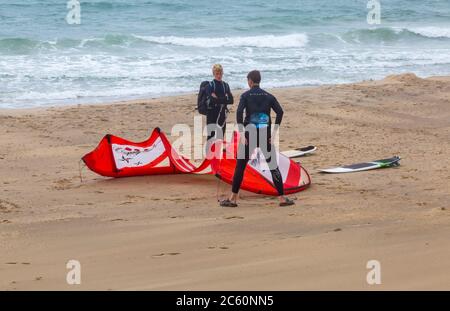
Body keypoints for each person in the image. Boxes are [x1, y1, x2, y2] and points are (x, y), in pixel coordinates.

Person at [220, 70, 295, 207]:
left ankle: (233, 199)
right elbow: (280, 112)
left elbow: (238, 113)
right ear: (259, 81)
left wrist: (242, 133)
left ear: (250, 81)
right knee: (273, 166)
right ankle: (282, 198)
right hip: (265, 135)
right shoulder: (268, 96)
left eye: (247, 80)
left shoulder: (246, 95)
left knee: (240, 167)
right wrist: (274, 133)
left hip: (249, 135)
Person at [206, 64, 233, 148]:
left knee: (220, 135)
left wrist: (217, 99)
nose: (219, 75)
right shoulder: (210, 85)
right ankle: (209, 156)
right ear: (213, 73)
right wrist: (224, 98)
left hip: (222, 113)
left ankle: (218, 155)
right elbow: (212, 99)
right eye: (217, 73)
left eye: (220, 73)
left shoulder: (226, 85)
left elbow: (231, 100)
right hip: (211, 113)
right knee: (211, 136)